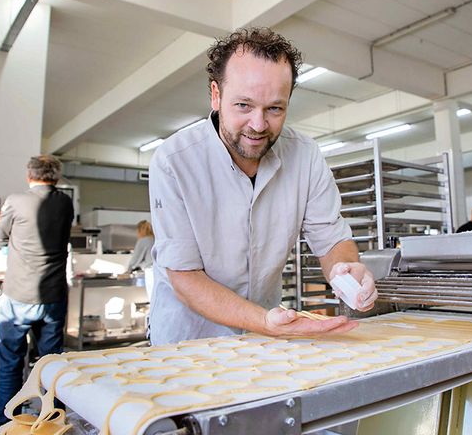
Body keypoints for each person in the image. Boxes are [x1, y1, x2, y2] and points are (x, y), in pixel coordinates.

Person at [148, 27, 378, 346]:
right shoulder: (174, 161)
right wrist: (266, 323)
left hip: (264, 338)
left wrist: (348, 269)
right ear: (216, 95)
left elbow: (331, 239)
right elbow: (184, 279)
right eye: (243, 105)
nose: (258, 125)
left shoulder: (305, 154)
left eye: (274, 108)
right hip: (188, 341)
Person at [0, 155, 74, 426]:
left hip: (17, 295)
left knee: (11, 364)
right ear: (57, 177)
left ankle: (9, 424)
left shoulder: (15, 201)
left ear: (29, 175)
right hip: (53, 295)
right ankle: (53, 423)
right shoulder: (65, 202)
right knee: (51, 366)